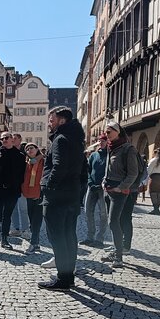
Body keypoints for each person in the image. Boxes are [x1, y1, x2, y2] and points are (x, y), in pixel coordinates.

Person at [37, 106, 85, 291]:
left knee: (57, 237)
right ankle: (68, 276)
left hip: (57, 197)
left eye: (52, 120)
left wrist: (49, 186)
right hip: (71, 195)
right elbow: (82, 170)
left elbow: (58, 167)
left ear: (62, 121)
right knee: (69, 237)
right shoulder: (76, 139)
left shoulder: (61, 139)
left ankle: (63, 279)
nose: (49, 123)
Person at [100, 121, 140, 268]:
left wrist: (121, 187)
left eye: (109, 132)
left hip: (119, 192)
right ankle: (116, 251)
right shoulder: (112, 147)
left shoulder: (128, 149)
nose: (106, 135)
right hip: (108, 189)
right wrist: (104, 181)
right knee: (113, 222)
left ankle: (119, 256)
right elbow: (108, 168)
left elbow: (133, 173)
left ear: (117, 132)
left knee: (113, 222)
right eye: (105, 132)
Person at [80, 133, 109, 248]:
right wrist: (90, 182)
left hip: (103, 188)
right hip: (92, 187)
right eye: (100, 141)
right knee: (88, 211)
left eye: (103, 141)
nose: (101, 142)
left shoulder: (110, 155)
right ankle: (90, 236)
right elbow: (89, 170)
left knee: (103, 214)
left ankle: (99, 238)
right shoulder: (94, 155)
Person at [21, 143, 45, 254]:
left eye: (31, 148)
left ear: (37, 149)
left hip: (39, 194)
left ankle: (33, 243)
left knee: (36, 220)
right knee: (32, 219)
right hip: (29, 193)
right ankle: (36, 243)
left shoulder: (42, 161)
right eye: (27, 149)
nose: (29, 150)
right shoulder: (27, 163)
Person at [9, 133, 30, 239]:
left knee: (23, 208)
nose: (13, 140)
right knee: (13, 208)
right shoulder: (9, 151)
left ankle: (26, 229)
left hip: (23, 183)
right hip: (12, 184)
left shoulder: (25, 151)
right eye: (11, 138)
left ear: (20, 140)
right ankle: (16, 228)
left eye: (15, 138)